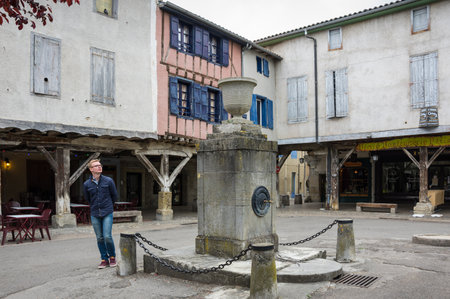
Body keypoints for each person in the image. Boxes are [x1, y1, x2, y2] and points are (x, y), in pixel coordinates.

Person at [83, 159, 118, 269]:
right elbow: (88, 198)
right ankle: (104, 259)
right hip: (95, 213)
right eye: (96, 166)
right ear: (91, 169)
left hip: (107, 212)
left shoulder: (109, 181)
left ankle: (112, 257)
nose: (99, 167)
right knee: (99, 238)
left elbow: (114, 196)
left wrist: (108, 206)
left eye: (100, 165)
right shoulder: (86, 184)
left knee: (107, 236)